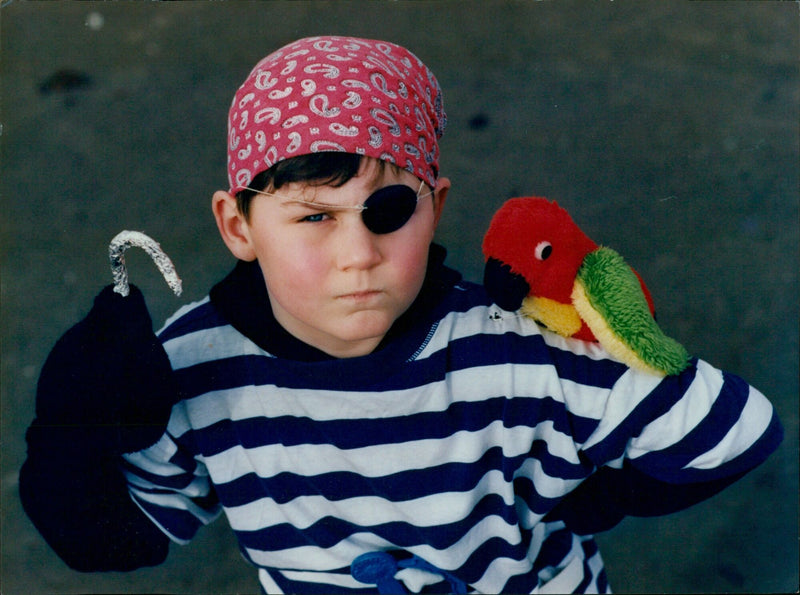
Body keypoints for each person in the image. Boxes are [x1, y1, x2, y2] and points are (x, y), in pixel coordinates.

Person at [20, 35, 782, 594]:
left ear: (436, 206)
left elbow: (735, 429)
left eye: (387, 210)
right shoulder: (187, 368)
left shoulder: (520, 350)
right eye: (314, 217)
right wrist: (74, 431)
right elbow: (114, 537)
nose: (358, 253)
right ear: (238, 226)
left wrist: (601, 498)